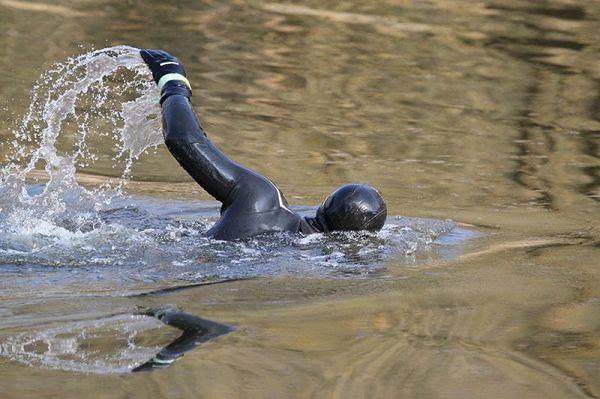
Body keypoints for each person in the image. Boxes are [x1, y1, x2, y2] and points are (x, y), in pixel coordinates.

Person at [140, 49, 387, 241]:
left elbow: (182, 139)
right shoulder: (317, 255)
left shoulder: (262, 198)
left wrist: (173, 81)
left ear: (326, 204)